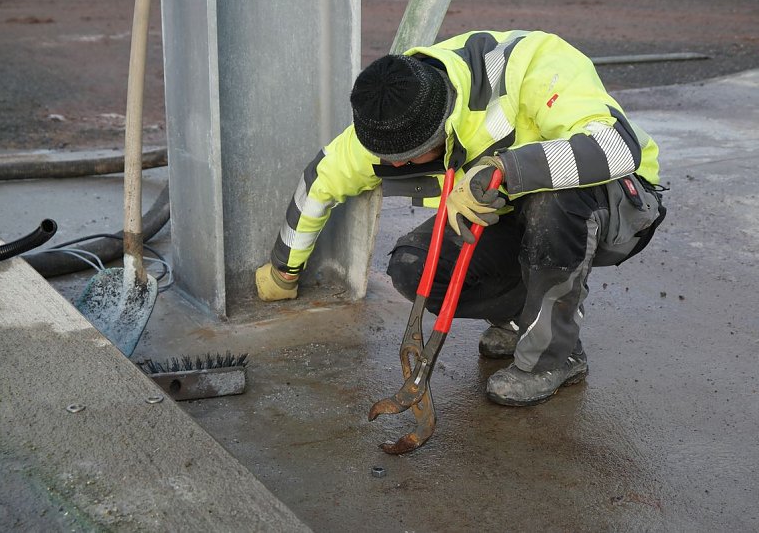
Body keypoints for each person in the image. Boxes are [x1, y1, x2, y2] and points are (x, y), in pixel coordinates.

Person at [255, 30, 665, 407]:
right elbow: (319, 183)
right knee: (414, 266)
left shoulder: (532, 63)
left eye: (413, 158)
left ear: (440, 127)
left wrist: (505, 170)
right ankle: (522, 319)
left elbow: (616, 147)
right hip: (515, 215)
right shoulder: (390, 120)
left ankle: (552, 358)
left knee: (551, 203)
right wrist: (283, 271)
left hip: (616, 206)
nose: (403, 165)